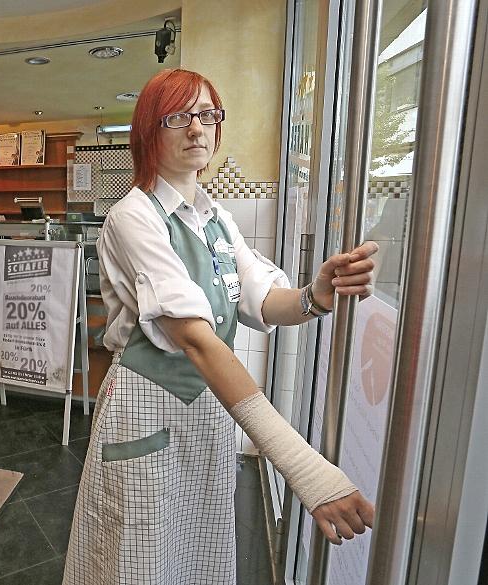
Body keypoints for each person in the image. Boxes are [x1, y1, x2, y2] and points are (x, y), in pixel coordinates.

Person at [63, 69, 377, 585]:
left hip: (211, 407)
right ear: (149, 131)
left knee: (200, 542)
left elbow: (263, 301)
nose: (197, 128)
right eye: (178, 117)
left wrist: (316, 295)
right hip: (145, 406)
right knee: (139, 554)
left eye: (207, 115)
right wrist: (304, 467)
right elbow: (194, 337)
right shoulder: (132, 216)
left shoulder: (217, 220)